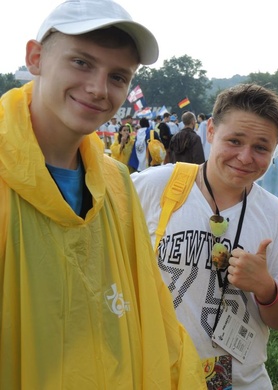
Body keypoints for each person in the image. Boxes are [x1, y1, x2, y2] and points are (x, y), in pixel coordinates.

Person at [0, 0, 205, 388]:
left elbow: (151, 310)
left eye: (118, 76)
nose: (98, 89)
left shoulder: (115, 182)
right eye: (81, 62)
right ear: (36, 57)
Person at [131, 83, 278, 389]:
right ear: (210, 131)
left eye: (261, 148)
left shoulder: (275, 215)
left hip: (240, 380)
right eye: (235, 141)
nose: (245, 157)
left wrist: (266, 288)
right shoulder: (153, 187)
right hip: (157, 373)